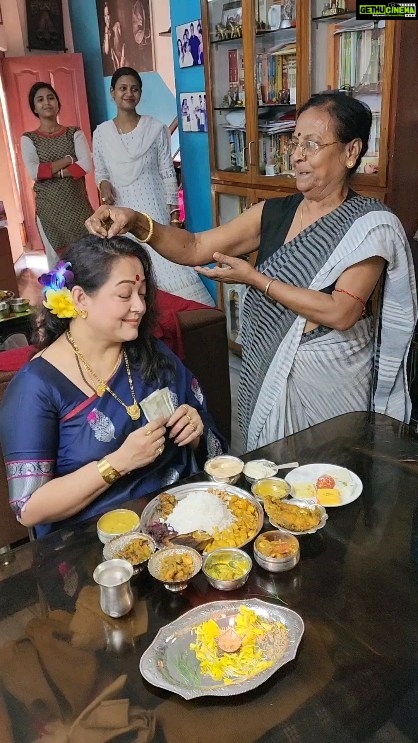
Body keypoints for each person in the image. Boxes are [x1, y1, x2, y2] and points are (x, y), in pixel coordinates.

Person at [85, 92, 417, 451]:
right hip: (269, 370)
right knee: (275, 479)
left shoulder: (367, 225)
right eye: (295, 141)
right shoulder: (272, 213)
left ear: (351, 152)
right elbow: (195, 247)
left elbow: (341, 312)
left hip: (332, 384)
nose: (298, 154)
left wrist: (256, 279)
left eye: (313, 143)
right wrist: (136, 221)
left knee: (332, 481)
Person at [0, 236, 225, 538]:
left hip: (183, 522)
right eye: (124, 295)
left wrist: (195, 431)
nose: (140, 306)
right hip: (96, 549)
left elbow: (205, 431)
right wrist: (118, 462)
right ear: (80, 299)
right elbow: (29, 507)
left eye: (143, 293)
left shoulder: (149, 353)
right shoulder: (36, 388)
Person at [92, 67, 214, 305]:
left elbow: (168, 173)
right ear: (112, 93)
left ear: (140, 94)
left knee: (170, 267)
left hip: (154, 211)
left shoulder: (155, 129)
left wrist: (174, 218)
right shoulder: (101, 134)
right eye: (123, 88)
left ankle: (196, 323)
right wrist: (104, 186)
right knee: (131, 273)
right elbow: (102, 172)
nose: (129, 93)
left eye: (134, 89)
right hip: (121, 215)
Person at [21, 82, 93, 268]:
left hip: (78, 209)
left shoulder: (73, 133)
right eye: (40, 99)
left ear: (58, 104)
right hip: (49, 212)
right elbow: (35, 172)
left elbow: (85, 165)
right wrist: (68, 159)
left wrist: (53, 171)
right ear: (34, 108)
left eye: (51, 98)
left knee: (88, 260)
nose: (47, 103)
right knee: (56, 265)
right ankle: (60, 298)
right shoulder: (29, 139)